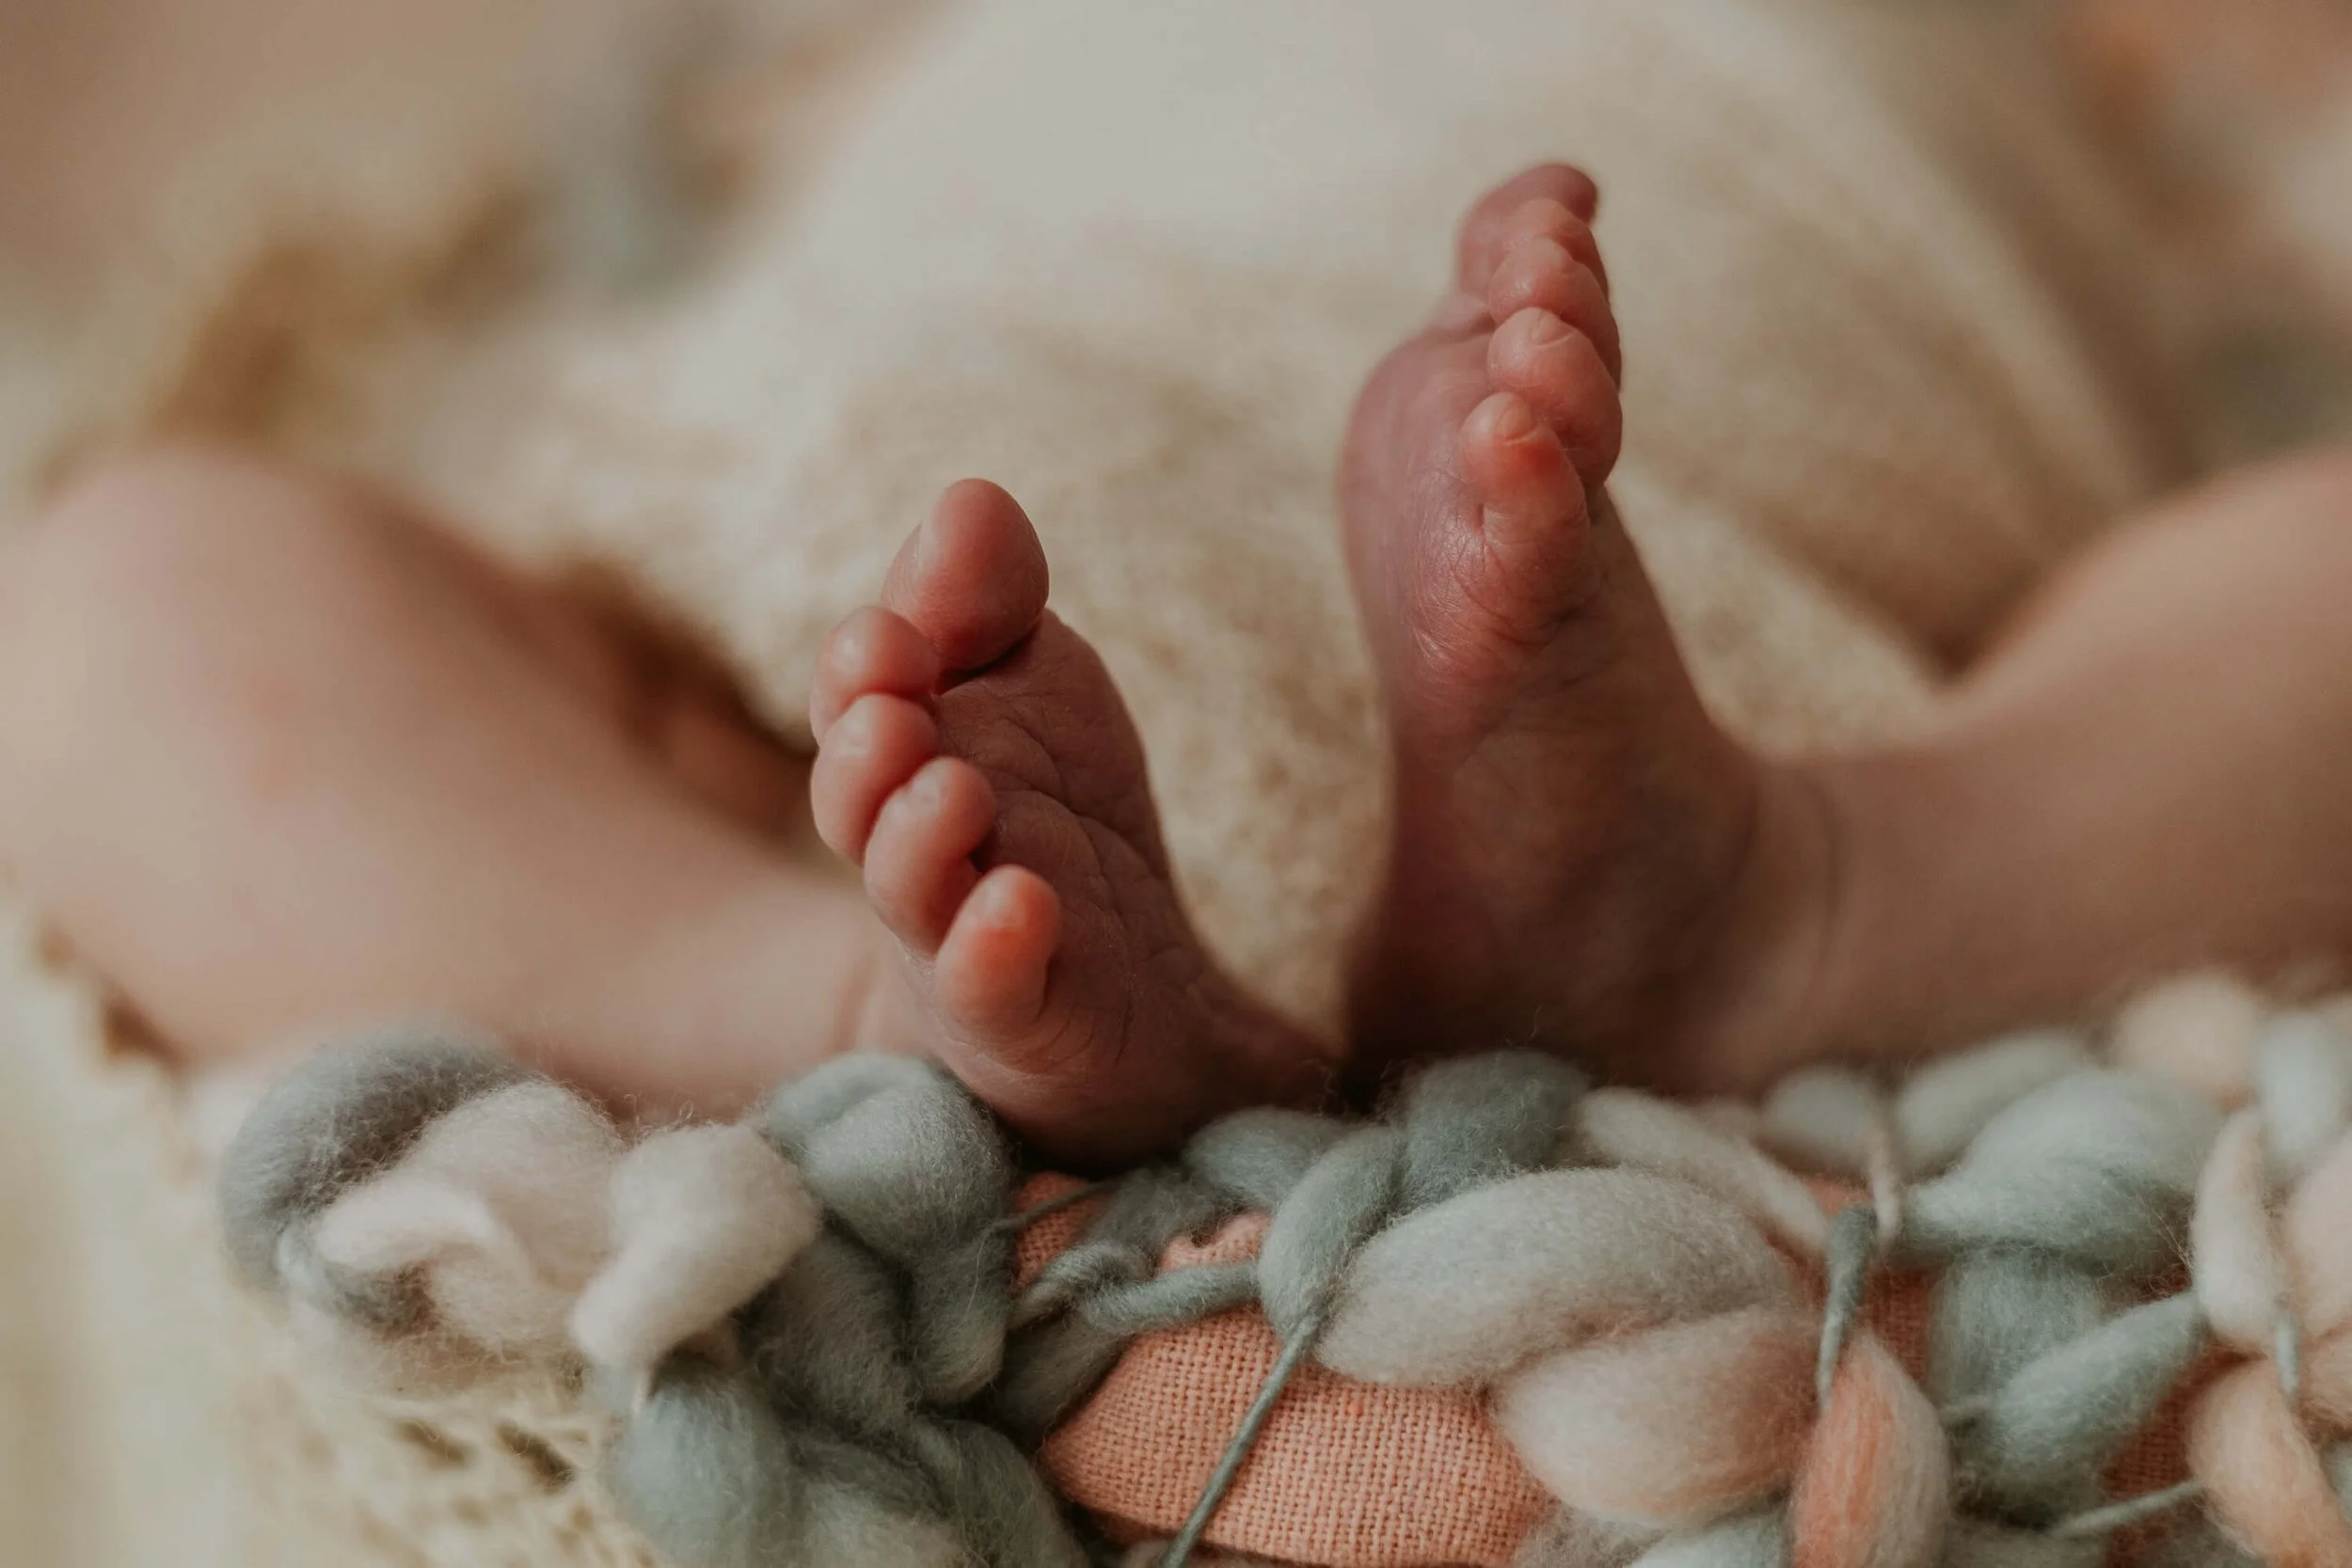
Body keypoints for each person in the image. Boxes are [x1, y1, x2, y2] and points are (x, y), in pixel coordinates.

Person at [5, 166, 2351, 1164]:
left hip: (1742, 487)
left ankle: (1785, 893)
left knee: (121, 610)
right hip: (818, 646)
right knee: (100, 602)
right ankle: (854, 997)